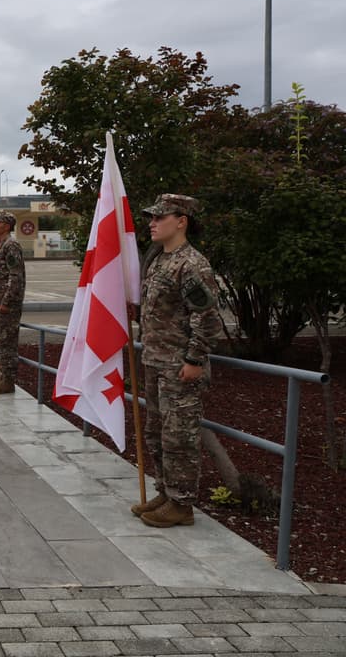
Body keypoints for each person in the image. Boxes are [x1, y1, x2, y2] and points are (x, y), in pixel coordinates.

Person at [131, 194, 223, 528]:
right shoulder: (159, 259)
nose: (152, 223)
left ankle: (182, 503)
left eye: (160, 217)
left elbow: (207, 318)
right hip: (156, 361)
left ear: (181, 221)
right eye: (151, 217)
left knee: (179, 437)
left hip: (178, 366)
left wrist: (194, 358)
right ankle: (166, 492)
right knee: (156, 433)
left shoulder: (191, 264)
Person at [0, 210, 25, 394]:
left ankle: (8, 381)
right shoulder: (1, 244)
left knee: (7, 341)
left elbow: (16, 277)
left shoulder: (11, 245)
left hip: (7, 304)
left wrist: (6, 302)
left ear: (7, 226)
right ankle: (2, 376)